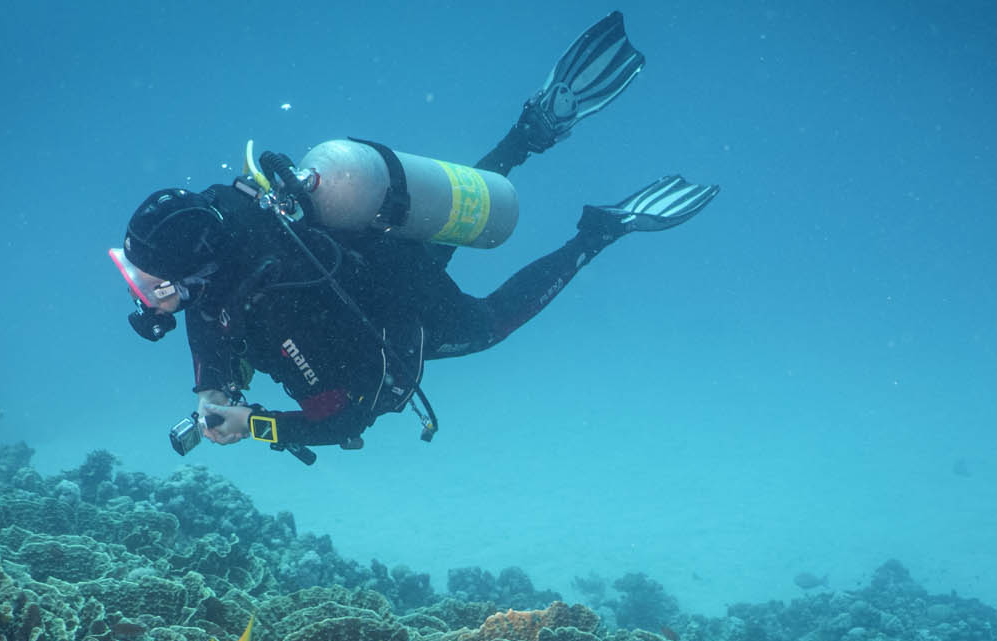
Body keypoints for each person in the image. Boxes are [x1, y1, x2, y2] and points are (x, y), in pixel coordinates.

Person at [112, 12, 718, 463]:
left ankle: (599, 232)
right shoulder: (235, 225)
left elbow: (352, 411)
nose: (144, 298)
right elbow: (208, 322)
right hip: (382, 244)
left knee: (487, 325)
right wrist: (211, 390)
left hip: (407, 311)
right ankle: (530, 132)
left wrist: (258, 424)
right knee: (450, 214)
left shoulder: (268, 308)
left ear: (191, 274)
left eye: (151, 284)